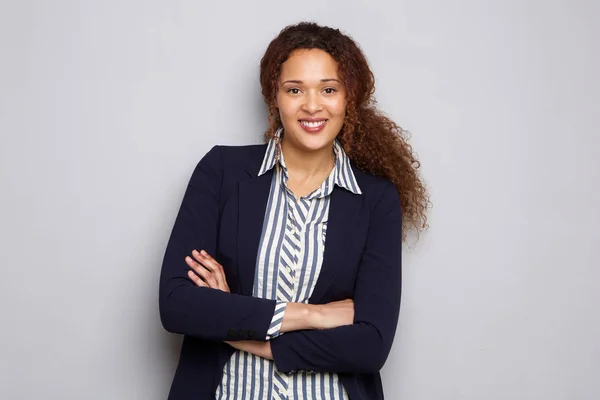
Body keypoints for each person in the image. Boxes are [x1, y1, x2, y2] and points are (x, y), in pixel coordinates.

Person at [159, 22, 429, 400]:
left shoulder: (376, 200)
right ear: (275, 96)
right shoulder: (221, 172)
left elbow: (371, 344)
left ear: (349, 98)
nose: (312, 105)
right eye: (295, 89)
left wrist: (241, 330)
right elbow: (176, 305)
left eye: (329, 89)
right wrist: (313, 315)